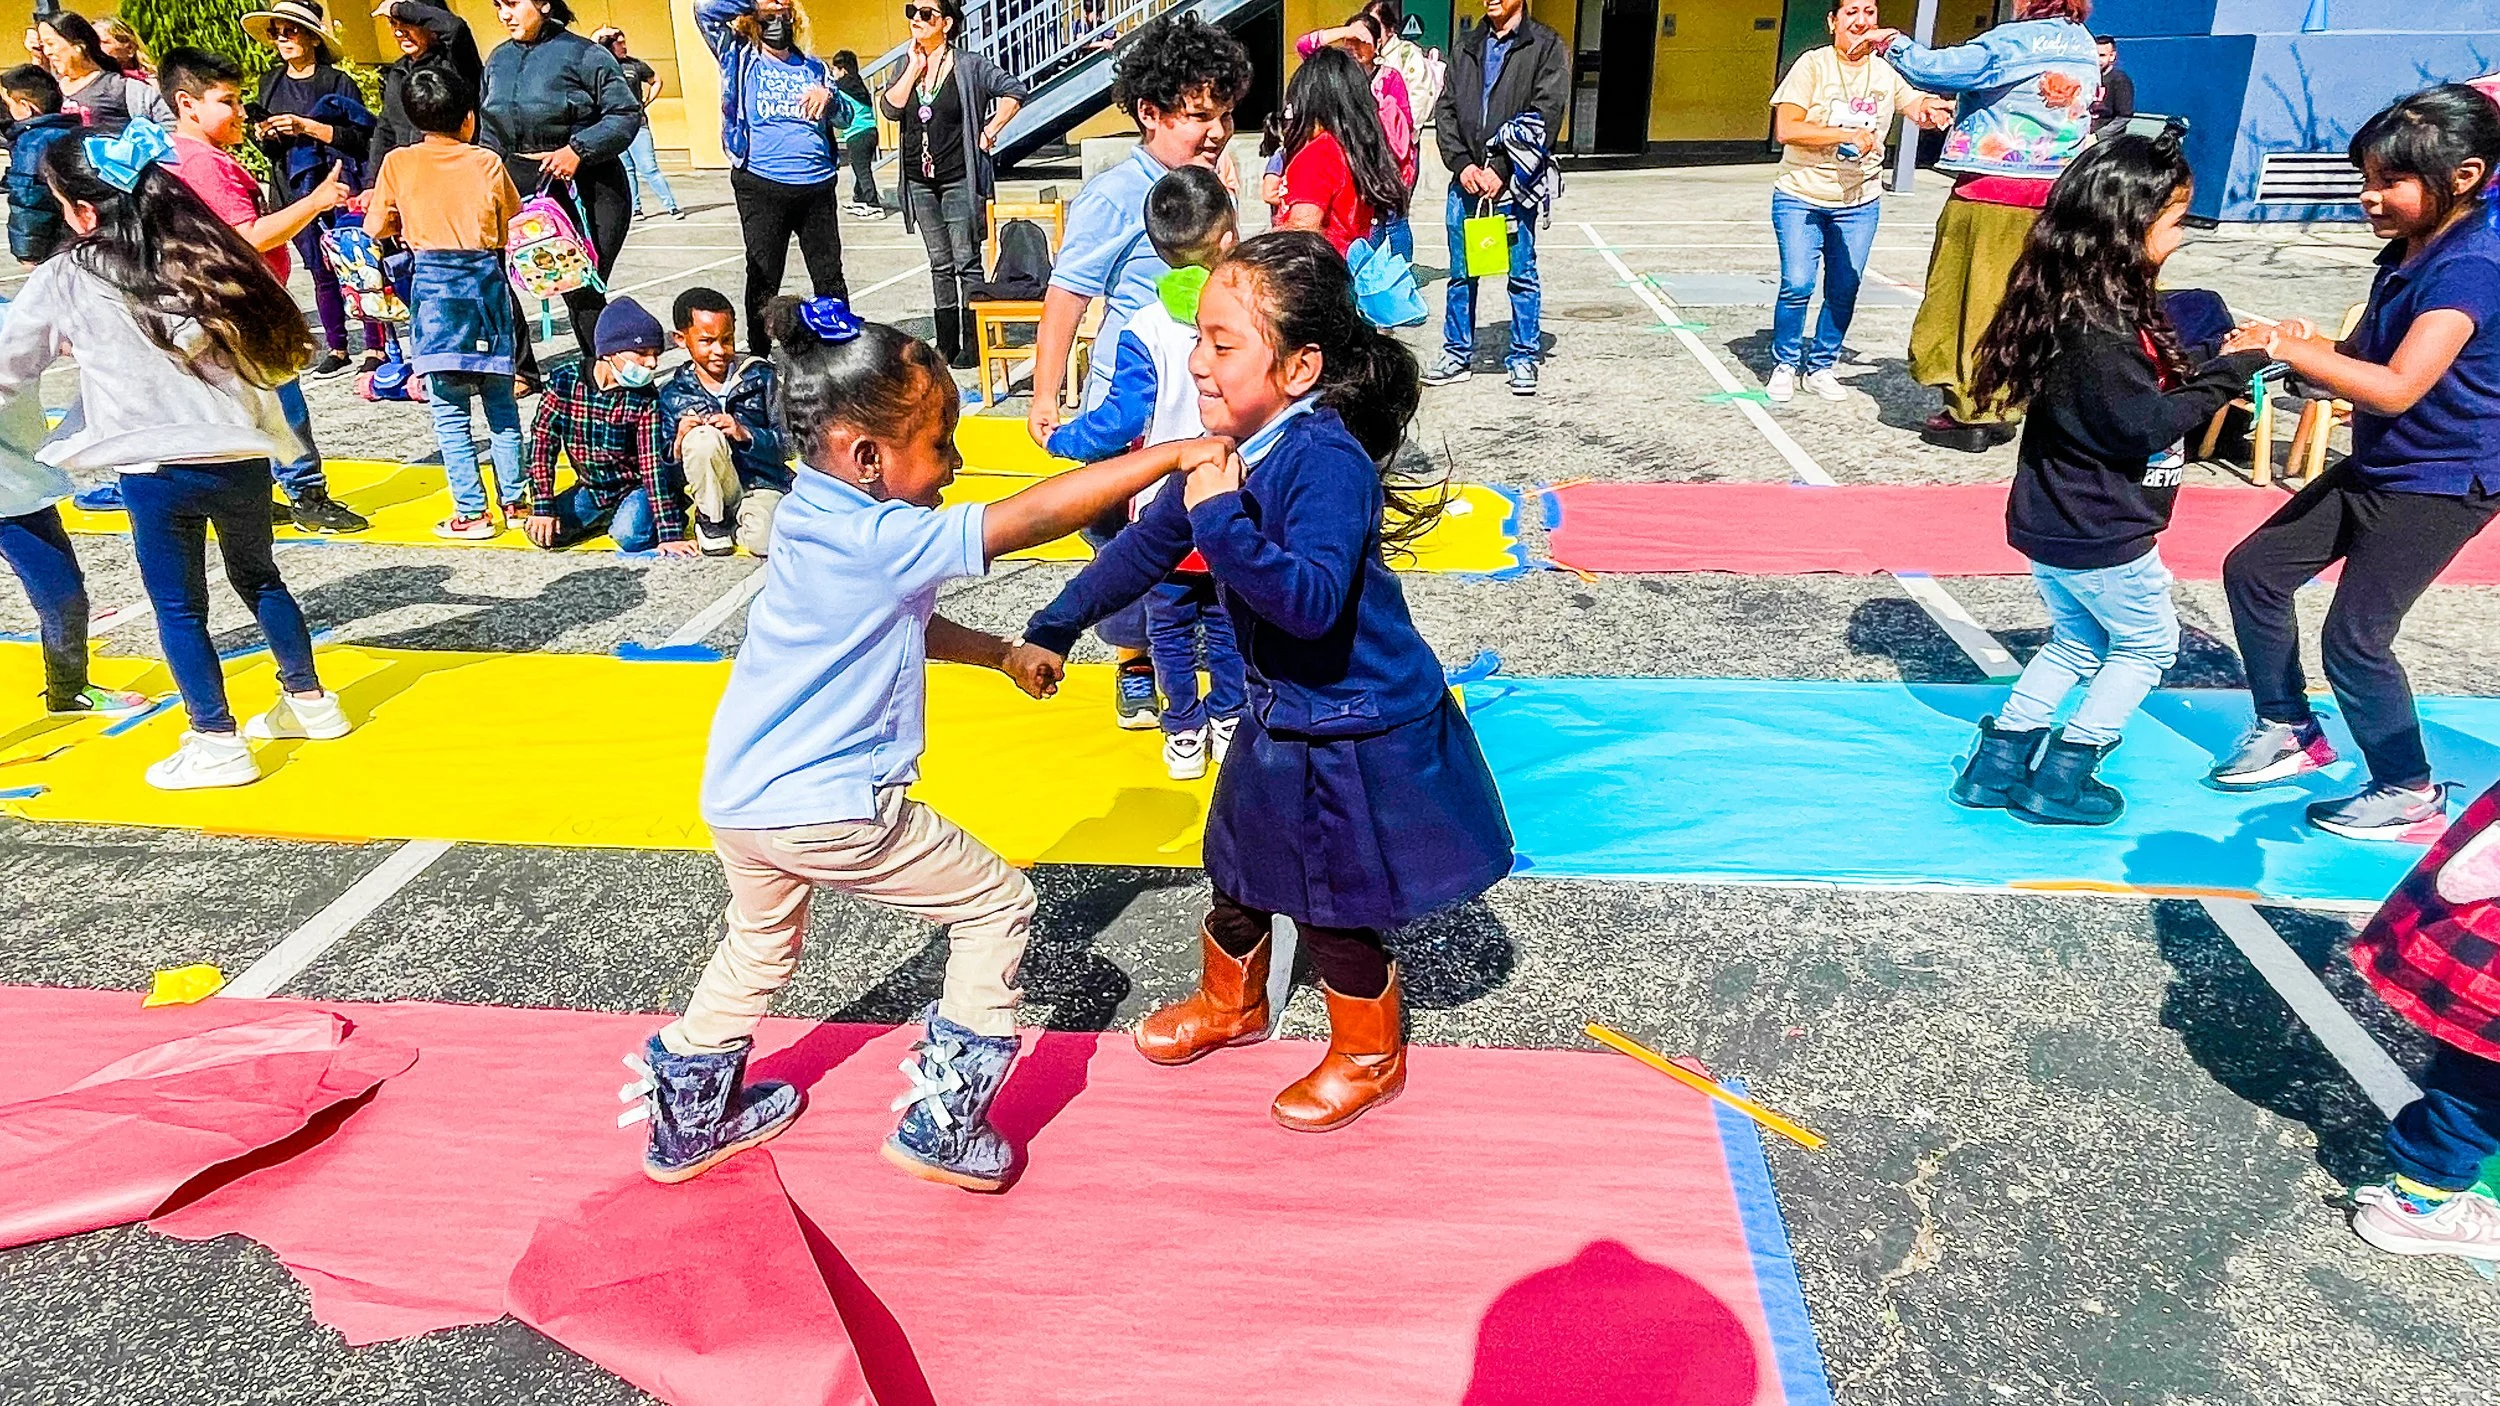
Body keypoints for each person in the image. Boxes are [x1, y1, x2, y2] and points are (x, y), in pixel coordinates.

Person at [631, 294, 1223, 1189]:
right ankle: (944, 1125)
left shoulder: (808, 513)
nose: (955, 462)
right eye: (940, 445)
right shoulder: (884, 534)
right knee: (995, 909)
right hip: (831, 805)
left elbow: (896, 620)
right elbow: (1026, 519)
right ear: (867, 457)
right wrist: (1168, 457)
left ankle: (687, 1118)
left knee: (760, 947)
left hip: (744, 797)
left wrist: (995, 655)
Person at [1013, 233, 1513, 1132]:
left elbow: (1312, 604)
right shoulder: (1222, 448)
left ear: (1300, 367)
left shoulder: (1326, 462)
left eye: (1221, 344)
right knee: (1236, 865)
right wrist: (1055, 623)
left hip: (1355, 721)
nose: (1198, 363)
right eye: (1198, 339)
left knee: (1331, 904)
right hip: (1284, 710)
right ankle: (1234, 1004)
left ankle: (1368, 1052)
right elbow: (1143, 548)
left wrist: (1220, 516)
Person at [0, 122, 350, 789]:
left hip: (156, 469)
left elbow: (7, 369)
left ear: (80, 211)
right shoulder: (205, 250)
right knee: (261, 578)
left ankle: (216, 739)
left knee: (180, 607)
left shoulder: (70, 274)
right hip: (241, 451)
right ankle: (310, 701)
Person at [1948, 132, 2272, 825]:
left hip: (2057, 520)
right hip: (2101, 526)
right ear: (2128, 226)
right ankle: (2065, 773)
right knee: (2148, 645)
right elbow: (2142, 426)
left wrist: (2216, 347)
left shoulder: (2080, 304)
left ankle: (2001, 757)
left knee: (2076, 641)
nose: (2181, 238)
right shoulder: (2097, 329)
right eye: (2175, 221)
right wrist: (2232, 370)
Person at [2213, 86, 2500, 841]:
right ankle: (2287, 726)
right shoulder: (2416, 245)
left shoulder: (2473, 263)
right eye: (2363, 180)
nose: (2369, 198)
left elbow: (2400, 388)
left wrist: (2287, 350)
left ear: (2465, 176)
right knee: (2256, 570)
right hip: (2385, 461)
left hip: (2443, 479)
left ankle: (2406, 786)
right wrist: (2307, 351)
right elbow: (2370, 361)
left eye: (2389, 183)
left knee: (2356, 638)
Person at [1029, 10, 1252, 731]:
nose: (1215, 130)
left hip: (1201, 407)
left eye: (1224, 114)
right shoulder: (1116, 196)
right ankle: (1135, 664)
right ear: (1150, 114)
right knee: (1128, 548)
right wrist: (1044, 395)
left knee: (1198, 545)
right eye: (1197, 116)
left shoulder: (1213, 183)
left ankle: (1203, 661)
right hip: (1132, 414)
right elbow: (1067, 296)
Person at [1044, 166, 1244, 780]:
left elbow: (1119, 420)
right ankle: (1231, 716)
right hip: (1234, 492)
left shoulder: (1145, 328)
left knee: (1170, 628)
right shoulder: (1248, 315)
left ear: (1155, 249)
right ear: (1229, 238)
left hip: (1162, 506)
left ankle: (1182, 729)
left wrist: (1063, 438)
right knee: (1229, 618)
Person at [1870, 0, 2099, 453]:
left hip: (1994, 188)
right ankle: (2006, 402)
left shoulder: (2014, 38)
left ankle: (1969, 412)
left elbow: (1943, 70)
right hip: (2056, 190)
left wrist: (1895, 44)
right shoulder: (2081, 41)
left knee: (1969, 301)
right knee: (2026, 301)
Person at [161, 46, 369, 534]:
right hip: (242, 300)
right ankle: (307, 492)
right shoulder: (207, 164)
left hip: (213, 299)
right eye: (227, 101)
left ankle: (256, 488)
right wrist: (315, 203)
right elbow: (249, 235)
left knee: (244, 400)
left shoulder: (176, 155)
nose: (239, 113)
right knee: (283, 399)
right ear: (188, 104)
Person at [365, 66, 528, 540]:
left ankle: (472, 513)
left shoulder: (398, 163)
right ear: (469, 119)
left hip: (434, 294)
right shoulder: (487, 163)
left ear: (416, 121)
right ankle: (515, 501)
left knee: (450, 412)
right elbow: (507, 220)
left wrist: (407, 222)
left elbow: (377, 227)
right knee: (501, 406)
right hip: (486, 287)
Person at [1764, 0, 1952, 404]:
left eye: (1869, 12)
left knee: (1844, 287)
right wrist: (1843, 134)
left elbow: (1913, 103)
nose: (1861, 21)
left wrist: (1932, 109)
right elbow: (1787, 127)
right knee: (1797, 284)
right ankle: (1784, 362)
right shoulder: (1812, 66)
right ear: (1833, 22)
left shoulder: (1883, 72)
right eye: (1851, 12)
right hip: (1802, 194)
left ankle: (1821, 365)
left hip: (1859, 201)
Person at [2345, 778, 2500, 1262]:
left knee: (2473, 1069)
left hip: (2476, 947)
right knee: (2479, 1089)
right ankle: (2417, 1206)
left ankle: (2419, 1194)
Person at [479, 0, 642, 370]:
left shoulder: (588, 55)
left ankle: (606, 378)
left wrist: (578, 150)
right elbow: (489, 131)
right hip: (520, 187)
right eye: (498, 5)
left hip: (590, 187)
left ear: (544, 4)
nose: (505, 14)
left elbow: (625, 113)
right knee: (493, 275)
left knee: (580, 285)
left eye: (513, 3)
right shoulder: (498, 60)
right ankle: (522, 369)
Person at [696, 0, 861, 358]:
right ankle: (759, 354)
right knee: (764, 274)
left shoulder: (814, 66)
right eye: (770, 18)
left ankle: (839, 347)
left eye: (784, 16)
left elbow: (849, 116)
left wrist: (829, 97)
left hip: (816, 185)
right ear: (754, 21)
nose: (778, 23)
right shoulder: (739, 55)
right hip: (762, 184)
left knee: (829, 273)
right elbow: (704, 11)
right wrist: (756, 1)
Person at [1422, 0, 1567, 398]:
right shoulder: (1466, 45)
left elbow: (1547, 112)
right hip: (1466, 183)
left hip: (1514, 185)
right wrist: (1463, 165)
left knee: (1521, 273)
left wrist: (1500, 169)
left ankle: (1522, 356)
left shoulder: (1545, 45)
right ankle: (1456, 354)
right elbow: (1446, 109)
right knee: (1462, 273)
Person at [881, 0, 1029, 370]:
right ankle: (946, 343)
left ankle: (974, 342)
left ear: (945, 23)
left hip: (958, 179)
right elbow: (891, 108)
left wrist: (990, 130)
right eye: (911, 11)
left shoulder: (970, 65)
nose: (917, 18)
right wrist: (914, 68)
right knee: (939, 263)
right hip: (920, 180)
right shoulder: (908, 63)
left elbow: (1014, 90)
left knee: (966, 260)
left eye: (926, 13)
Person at [246, 1, 385, 380]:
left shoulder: (338, 82)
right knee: (318, 268)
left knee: (356, 263)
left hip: (339, 180)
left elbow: (361, 138)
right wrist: (267, 133)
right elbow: (267, 149)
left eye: (289, 31)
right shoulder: (269, 83)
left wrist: (307, 127)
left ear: (311, 36)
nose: (282, 39)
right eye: (276, 32)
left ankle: (375, 344)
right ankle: (337, 346)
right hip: (293, 184)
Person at [1, 393, 151, 720]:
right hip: (19, 494)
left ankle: (67, 690)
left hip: (18, 498)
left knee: (64, 597)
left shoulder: (18, 344)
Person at [522, 296, 692, 554]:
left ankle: (660, 512)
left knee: (631, 537)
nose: (652, 363)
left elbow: (651, 466)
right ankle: (605, 517)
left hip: (635, 487)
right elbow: (542, 445)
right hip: (592, 488)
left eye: (656, 354)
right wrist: (542, 505)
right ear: (610, 352)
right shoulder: (564, 381)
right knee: (544, 533)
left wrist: (670, 534)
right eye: (642, 353)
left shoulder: (645, 398)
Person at [660, 286, 787, 557]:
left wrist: (746, 434)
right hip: (712, 491)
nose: (719, 350)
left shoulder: (761, 377)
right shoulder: (673, 395)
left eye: (727, 339)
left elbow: (789, 444)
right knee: (702, 439)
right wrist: (679, 443)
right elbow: (665, 473)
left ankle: (740, 519)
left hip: (760, 483)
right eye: (707, 341)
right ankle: (712, 520)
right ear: (681, 339)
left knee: (763, 542)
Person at [1295, 12, 1415, 257]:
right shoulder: (1333, 73)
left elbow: (1403, 129)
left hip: (1379, 165)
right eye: (1350, 40)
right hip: (1347, 166)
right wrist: (1344, 31)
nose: (1353, 46)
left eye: (1361, 39)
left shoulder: (1389, 78)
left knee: (1390, 224)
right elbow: (1304, 46)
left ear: (1378, 43)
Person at [369, 0, 484, 172]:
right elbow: (386, 130)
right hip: (411, 178)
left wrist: (398, 8)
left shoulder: (454, 61)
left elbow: (455, 28)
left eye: (408, 22)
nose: (399, 32)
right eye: (393, 23)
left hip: (455, 173)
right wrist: (372, 183)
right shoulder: (397, 73)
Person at [593, 25, 677, 219]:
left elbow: (656, 80)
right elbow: (591, 46)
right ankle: (635, 208)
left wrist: (647, 101)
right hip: (614, 127)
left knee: (649, 167)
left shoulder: (635, 65)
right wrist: (601, 35)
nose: (624, 47)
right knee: (627, 170)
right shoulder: (603, 65)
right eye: (619, 43)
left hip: (638, 125)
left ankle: (671, 205)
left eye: (624, 42)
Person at [33, 11, 167, 133]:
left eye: (51, 44)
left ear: (79, 45)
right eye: (43, 46)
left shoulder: (120, 88)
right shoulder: (52, 91)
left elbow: (170, 125)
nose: (47, 52)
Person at [3, 65, 79, 265]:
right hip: (78, 233)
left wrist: (28, 252)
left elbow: (28, 199)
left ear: (26, 107)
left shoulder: (32, 143)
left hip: (51, 243)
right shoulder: (72, 131)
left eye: (9, 104)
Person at [827, 49, 881, 219]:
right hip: (871, 131)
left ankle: (874, 205)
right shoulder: (857, 84)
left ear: (843, 70)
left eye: (834, 69)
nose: (833, 73)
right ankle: (859, 198)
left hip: (857, 134)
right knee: (860, 166)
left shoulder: (841, 86)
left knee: (862, 169)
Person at [2088, 34, 2133, 132]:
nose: (2097, 60)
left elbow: (2124, 116)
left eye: (2102, 55)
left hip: (2107, 141)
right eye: (2094, 55)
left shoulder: (2120, 80)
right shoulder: (2087, 77)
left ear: (2112, 56)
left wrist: (2098, 136)